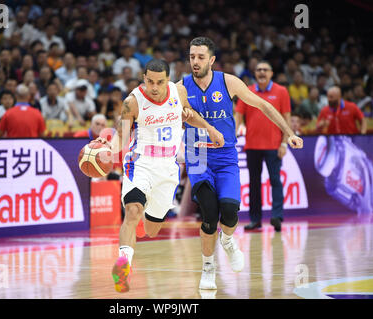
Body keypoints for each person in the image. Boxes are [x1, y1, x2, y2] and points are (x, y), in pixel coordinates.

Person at [180, 37, 303, 290]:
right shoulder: (181, 86)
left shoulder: (228, 82)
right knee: (209, 214)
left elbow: (263, 106)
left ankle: (227, 240)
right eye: (192, 56)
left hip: (225, 155)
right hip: (198, 155)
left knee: (229, 211)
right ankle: (208, 268)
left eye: (201, 57)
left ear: (211, 60)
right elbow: (172, 113)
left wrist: (288, 133)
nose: (195, 61)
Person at [95, 59, 225, 293]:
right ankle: (123, 267)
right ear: (143, 78)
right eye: (150, 81)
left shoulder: (179, 92)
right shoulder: (132, 102)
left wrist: (210, 128)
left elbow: (189, 116)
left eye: (160, 82)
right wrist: (107, 148)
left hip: (168, 167)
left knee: (152, 230)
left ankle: (141, 225)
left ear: (168, 79)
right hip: (140, 163)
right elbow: (121, 137)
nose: (154, 87)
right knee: (133, 211)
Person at [235, 61, 292, 233]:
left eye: (265, 70)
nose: (261, 72)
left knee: (275, 180)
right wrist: (237, 129)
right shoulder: (247, 91)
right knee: (254, 184)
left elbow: (287, 118)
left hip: (274, 145)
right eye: (258, 69)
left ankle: (277, 216)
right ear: (255, 73)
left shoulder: (281, 92)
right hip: (252, 145)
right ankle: (255, 220)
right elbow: (239, 115)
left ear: (271, 73)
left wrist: (284, 142)